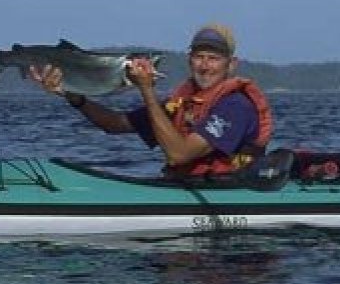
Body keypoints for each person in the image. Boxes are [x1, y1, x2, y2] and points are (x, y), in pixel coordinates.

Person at [30, 24, 273, 181]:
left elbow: (179, 155)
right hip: (183, 185)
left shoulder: (235, 106)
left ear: (231, 65)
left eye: (214, 59)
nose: (204, 66)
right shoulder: (182, 103)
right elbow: (114, 124)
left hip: (228, 191)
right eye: (198, 57)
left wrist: (145, 88)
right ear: (189, 60)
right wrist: (73, 95)